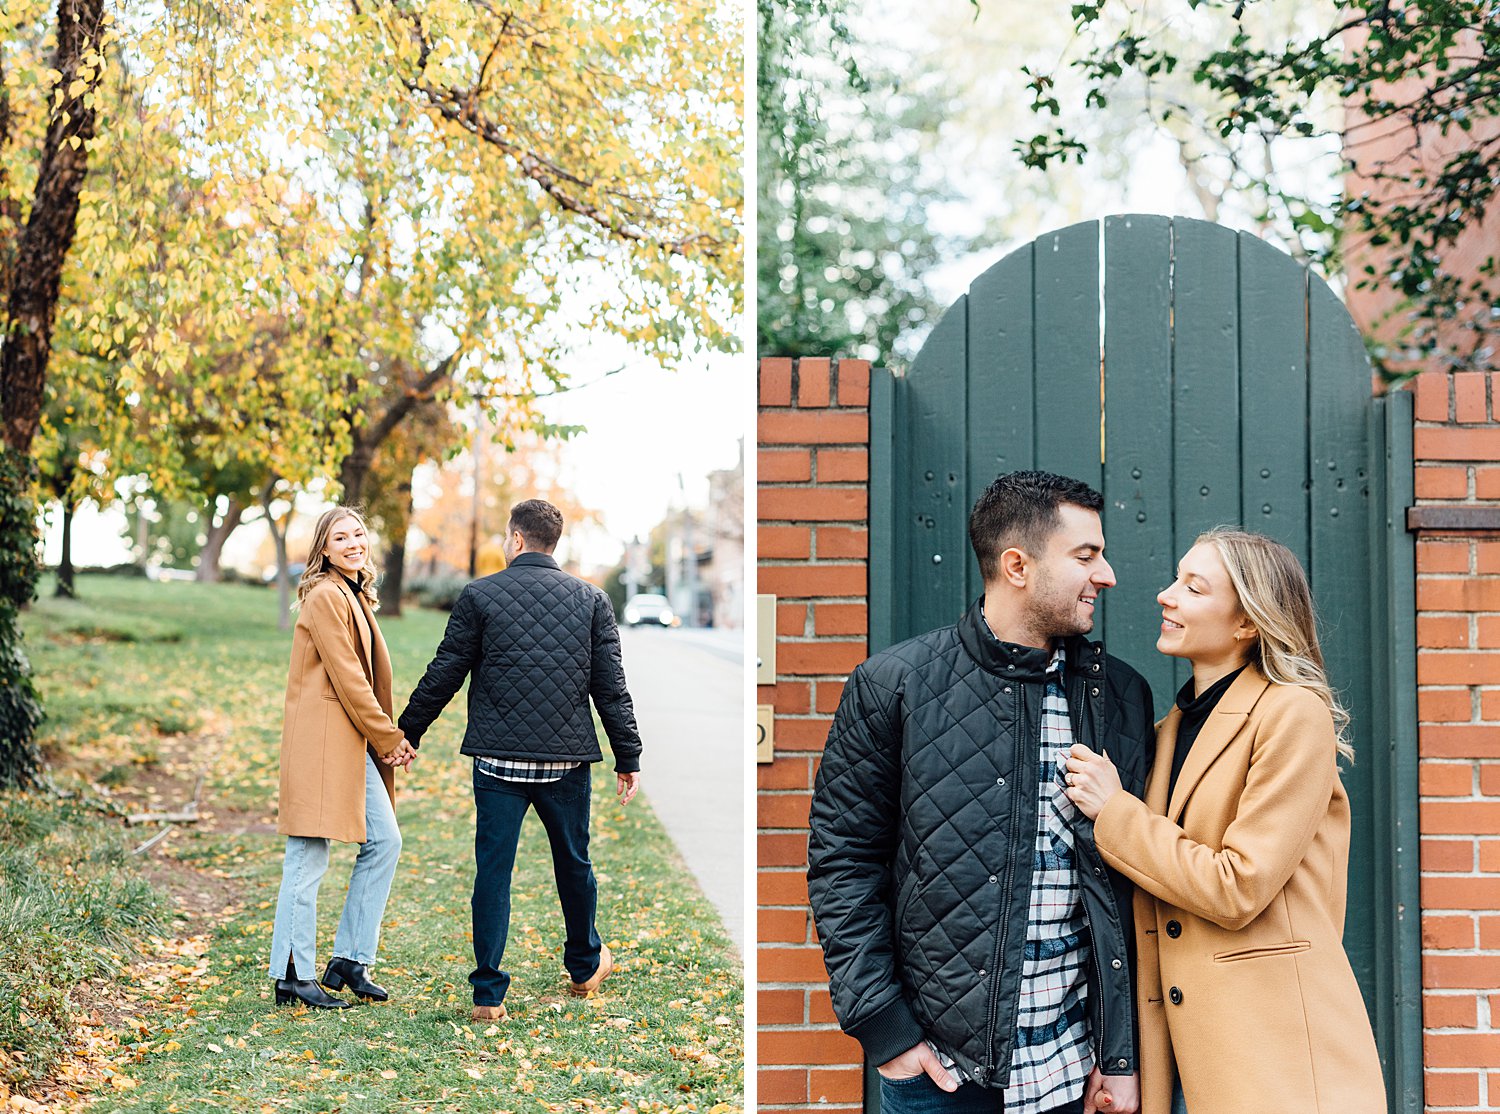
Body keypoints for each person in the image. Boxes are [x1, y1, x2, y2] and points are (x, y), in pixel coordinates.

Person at [807, 470, 1155, 1114]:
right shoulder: (894, 685)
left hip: (1076, 1071)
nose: (1106, 576)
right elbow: (842, 864)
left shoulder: (1123, 696)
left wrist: (1120, 1052)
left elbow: (1128, 892)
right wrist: (886, 1029)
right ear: (1016, 565)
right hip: (941, 1072)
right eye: (1086, 556)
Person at [1064, 529, 1386, 1114]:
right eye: (1174, 579)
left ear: (1246, 624)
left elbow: (1239, 886)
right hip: (1184, 1055)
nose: (1166, 595)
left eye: (1193, 587)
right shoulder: (1167, 732)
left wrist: (1116, 811)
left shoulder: (1292, 713)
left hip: (1273, 1051)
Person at [397, 498, 643, 1022]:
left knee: (494, 871)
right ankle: (583, 966)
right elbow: (611, 688)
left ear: (515, 539)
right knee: (574, 864)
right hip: (565, 764)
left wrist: (408, 731)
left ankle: (488, 994)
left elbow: (446, 670)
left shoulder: (479, 595)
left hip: (496, 765)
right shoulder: (592, 600)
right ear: (554, 543)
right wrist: (629, 755)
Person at [268, 505, 417, 1009]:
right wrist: (388, 737)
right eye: (341, 537)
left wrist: (377, 738)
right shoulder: (327, 595)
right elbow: (349, 675)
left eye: (358, 533)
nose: (353, 542)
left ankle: (350, 959)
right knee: (309, 856)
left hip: (348, 743)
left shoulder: (353, 594)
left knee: (385, 840)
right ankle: (293, 972)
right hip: (323, 742)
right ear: (324, 550)